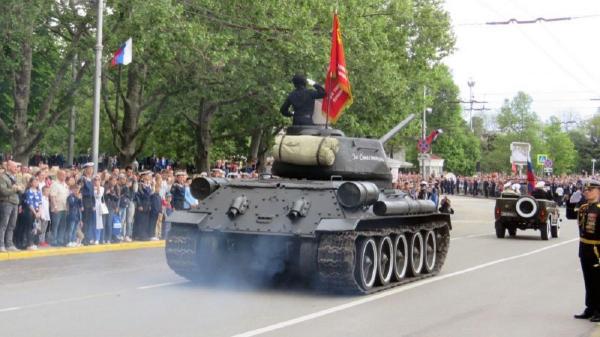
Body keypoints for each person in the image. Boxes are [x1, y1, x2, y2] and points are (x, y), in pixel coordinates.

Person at [574, 179, 600, 322]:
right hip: (585, 248)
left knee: (598, 280)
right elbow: (570, 215)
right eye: (586, 190)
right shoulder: (584, 207)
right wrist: (573, 200)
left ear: (598, 191)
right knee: (588, 280)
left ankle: (599, 310)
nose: (586, 192)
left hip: (597, 249)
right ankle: (590, 308)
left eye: (590, 190)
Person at [0, 160, 24, 252]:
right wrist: (15, 189)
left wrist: (19, 188)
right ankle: (1, 244)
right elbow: (3, 191)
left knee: (12, 225)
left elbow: (21, 190)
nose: (16, 169)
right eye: (14, 167)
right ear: (9, 167)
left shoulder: (15, 177)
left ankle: (9, 244)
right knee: (3, 224)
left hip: (15, 203)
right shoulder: (3, 177)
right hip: (6, 202)